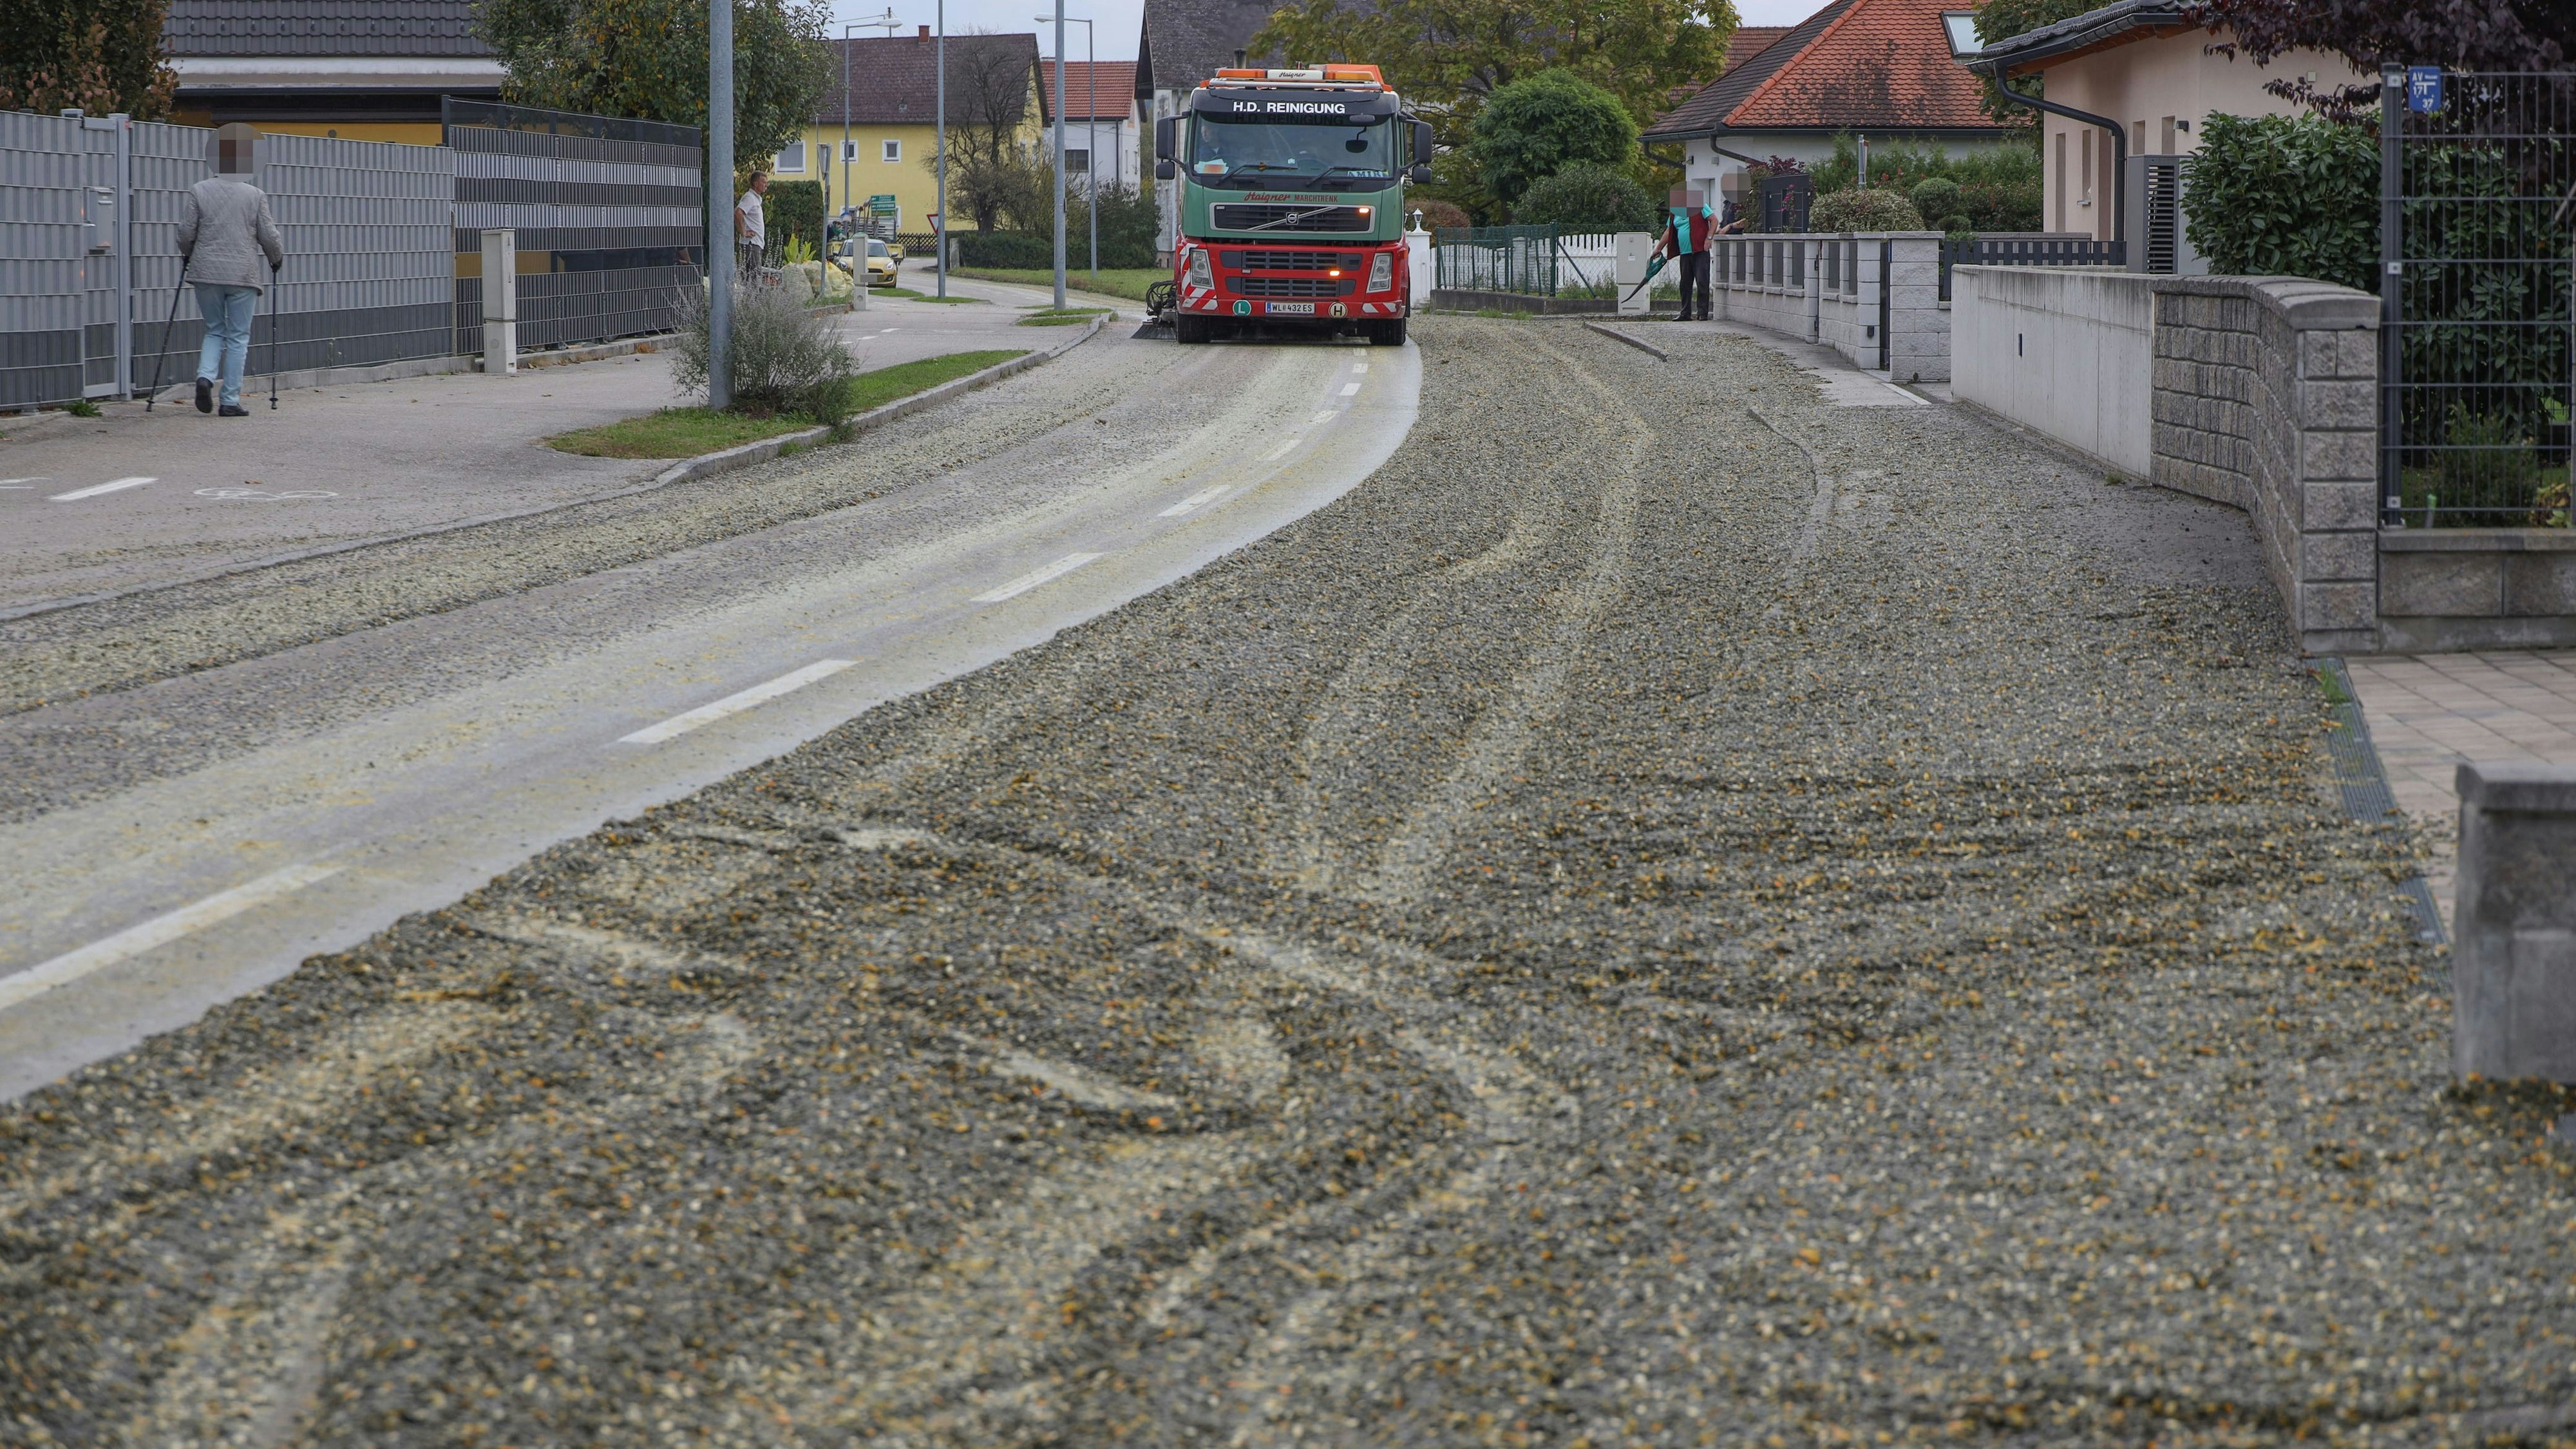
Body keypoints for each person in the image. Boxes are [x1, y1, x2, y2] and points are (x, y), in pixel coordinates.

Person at [178, 124, 285, 417]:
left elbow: (187, 232)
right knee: (238, 336)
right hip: (242, 275)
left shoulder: (199, 190)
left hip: (206, 273)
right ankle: (229, 400)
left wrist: (187, 254)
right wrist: (276, 259)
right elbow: (269, 236)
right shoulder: (255, 195)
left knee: (215, 330)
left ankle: (205, 377)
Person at [1654, 186, 1718, 323]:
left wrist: (1709, 238)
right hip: (1685, 252)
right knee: (1685, 284)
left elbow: (1714, 220)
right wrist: (1659, 248)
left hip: (1700, 250)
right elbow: (1668, 231)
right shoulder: (1675, 212)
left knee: (1702, 282)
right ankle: (1685, 313)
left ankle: (1702, 313)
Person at [736, 171, 770, 279]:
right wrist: (743, 232)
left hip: (756, 244)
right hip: (751, 244)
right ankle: (752, 297)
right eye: (764, 183)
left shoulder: (756, 199)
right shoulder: (750, 198)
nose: (766, 185)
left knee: (752, 279)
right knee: (754, 279)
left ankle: (750, 297)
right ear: (756, 184)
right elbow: (738, 212)